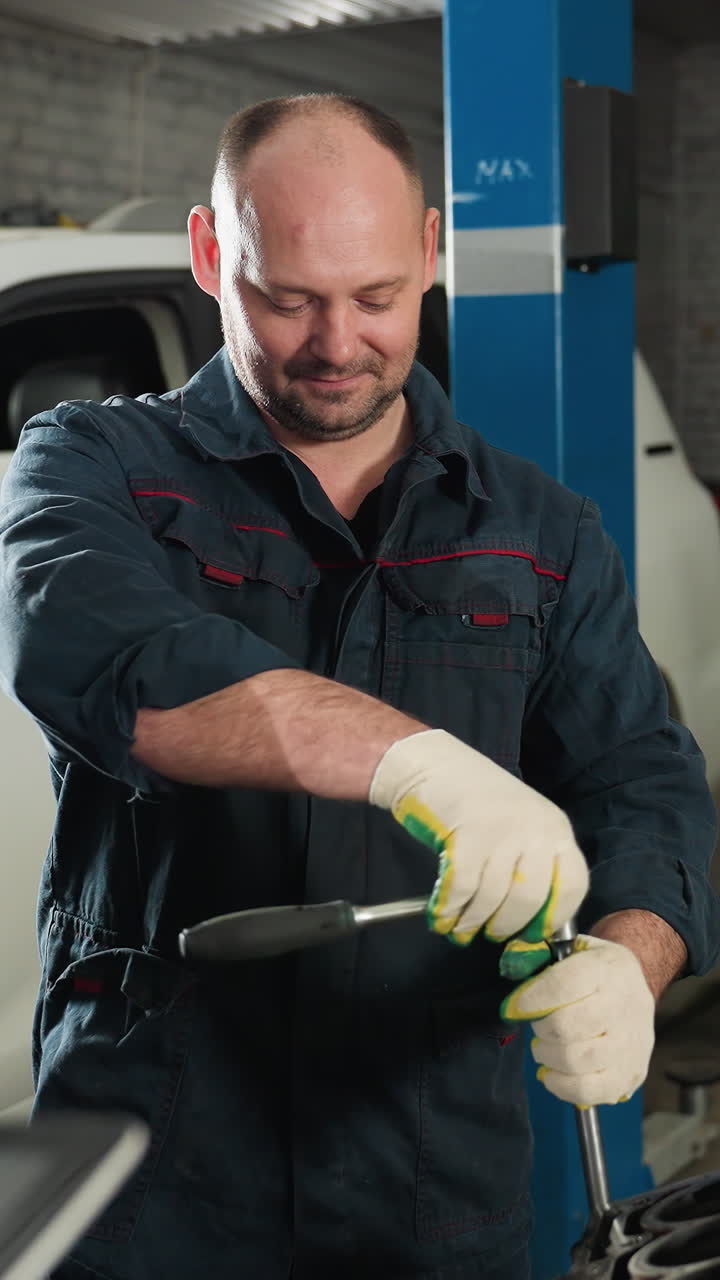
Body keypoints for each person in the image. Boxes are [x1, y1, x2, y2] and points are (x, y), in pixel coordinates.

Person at [0, 93, 717, 1280]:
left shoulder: (542, 534)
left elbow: (644, 779)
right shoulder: (90, 466)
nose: (339, 342)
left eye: (378, 296)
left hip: (426, 1192)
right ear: (208, 254)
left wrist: (628, 962)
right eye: (288, 298)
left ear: (431, 252)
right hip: (152, 1181)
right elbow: (110, 658)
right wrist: (419, 764)